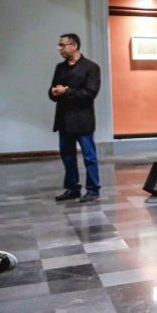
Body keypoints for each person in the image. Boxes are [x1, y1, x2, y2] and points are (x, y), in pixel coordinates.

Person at [49, 33, 101, 202]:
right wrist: (53, 92)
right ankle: (72, 188)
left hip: (82, 119)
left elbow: (90, 93)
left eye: (62, 45)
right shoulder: (60, 67)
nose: (60, 49)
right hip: (64, 119)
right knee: (67, 156)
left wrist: (66, 91)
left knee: (89, 157)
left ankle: (93, 189)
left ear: (74, 46)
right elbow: (53, 91)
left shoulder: (91, 67)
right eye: (59, 45)